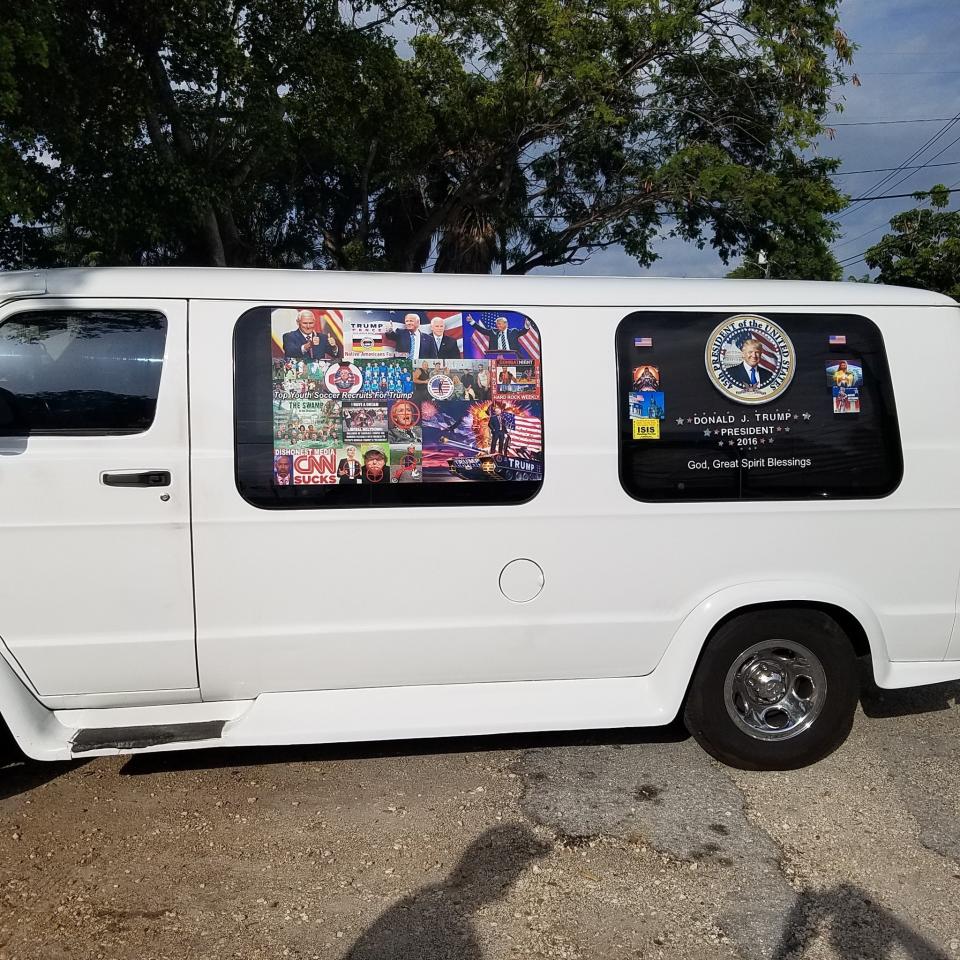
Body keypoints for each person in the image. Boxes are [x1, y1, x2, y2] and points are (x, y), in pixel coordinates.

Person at [467, 315, 532, 356]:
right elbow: (482, 330)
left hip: (512, 356)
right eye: (497, 324)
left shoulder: (513, 331)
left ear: (506, 324)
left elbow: (523, 332)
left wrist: (527, 326)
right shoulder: (493, 331)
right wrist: (472, 322)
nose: (497, 325)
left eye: (499, 324)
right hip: (496, 356)